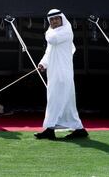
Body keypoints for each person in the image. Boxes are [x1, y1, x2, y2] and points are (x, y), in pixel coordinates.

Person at [34, 9, 88, 140]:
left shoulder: (66, 31)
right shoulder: (53, 32)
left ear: (61, 19)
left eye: (56, 19)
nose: (54, 21)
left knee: (56, 101)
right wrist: (43, 64)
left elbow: (52, 39)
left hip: (63, 73)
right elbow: (49, 52)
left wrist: (47, 31)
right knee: (64, 102)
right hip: (54, 73)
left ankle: (50, 129)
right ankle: (79, 129)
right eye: (51, 20)